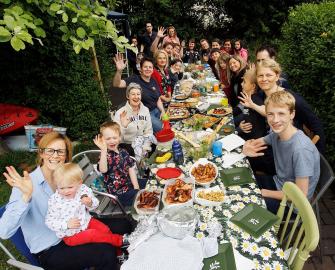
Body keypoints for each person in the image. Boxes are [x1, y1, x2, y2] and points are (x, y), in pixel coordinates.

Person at [0, 131, 123, 269]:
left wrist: (87, 202)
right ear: (41, 153)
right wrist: (26, 196)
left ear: (66, 156)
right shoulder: (25, 185)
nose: (55, 155)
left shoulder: (67, 177)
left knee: (123, 225)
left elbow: (87, 203)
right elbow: (4, 231)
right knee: (106, 252)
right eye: (50, 151)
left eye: (60, 151)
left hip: (78, 229)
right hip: (52, 249)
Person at [242, 91, 320, 213]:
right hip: (278, 183)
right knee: (242, 183)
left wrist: (264, 192)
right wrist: (246, 148)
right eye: (270, 114)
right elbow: (255, 143)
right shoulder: (277, 133)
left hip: (291, 204)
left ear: (292, 114)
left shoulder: (301, 149)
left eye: (281, 114)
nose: (275, 120)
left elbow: (300, 196)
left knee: (242, 205)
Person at [239, 58, 325, 153]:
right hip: (272, 150)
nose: (264, 79)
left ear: (277, 76)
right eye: (260, 76)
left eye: (269, 75)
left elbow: (316, 125)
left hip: (292, 151)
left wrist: (317, 155)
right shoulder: (259, 96)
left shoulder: (292, 98)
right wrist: (241, 125)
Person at [45, 163, 124, 247]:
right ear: (56, 186)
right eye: (61, 188)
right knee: (92, 234)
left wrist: (90, 203)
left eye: (70, 187)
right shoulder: (54, 200)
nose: (66, 191)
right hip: (71, 235)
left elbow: (95, 204)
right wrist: (66, 224)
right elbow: (49, 221)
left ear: (79, 183)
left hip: (87, 222)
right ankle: (121, 240)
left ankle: (119, 253)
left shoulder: (82, 189)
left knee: (105, 229)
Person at [112, 53, 165, 133]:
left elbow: (158, 99)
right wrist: (119, 71)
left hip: (157, 110)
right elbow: (117, 84)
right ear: (140, 68)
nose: (148, 69)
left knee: (169, 124)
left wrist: (163, 111)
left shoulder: (153, 81)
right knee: (163, 129)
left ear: (153, 69)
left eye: (150, 67)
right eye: (145, 67)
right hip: (145, 114)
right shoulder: (135, 79)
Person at [94, 121, 140, 206]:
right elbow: (103, 170)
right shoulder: (104, 156)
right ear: (102, 140)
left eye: (114, 138)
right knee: (141, 197)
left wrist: (136, 186)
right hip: (118, 195)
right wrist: (103, 150)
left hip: (129, 185)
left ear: (119, 138)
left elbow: (131, 169)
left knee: (149, 183)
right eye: (108, 139)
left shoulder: (123, 151)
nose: (112, 141)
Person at [114, 83, 154, 160]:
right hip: (127, 146)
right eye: (133, 94)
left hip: (142, 142)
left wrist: (145, 147)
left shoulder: (145, 110)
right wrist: (124, 126)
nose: (136, 97)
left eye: (138, 94)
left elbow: (149, 131)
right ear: (128, 96)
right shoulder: (120, 113)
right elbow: (117, 138)